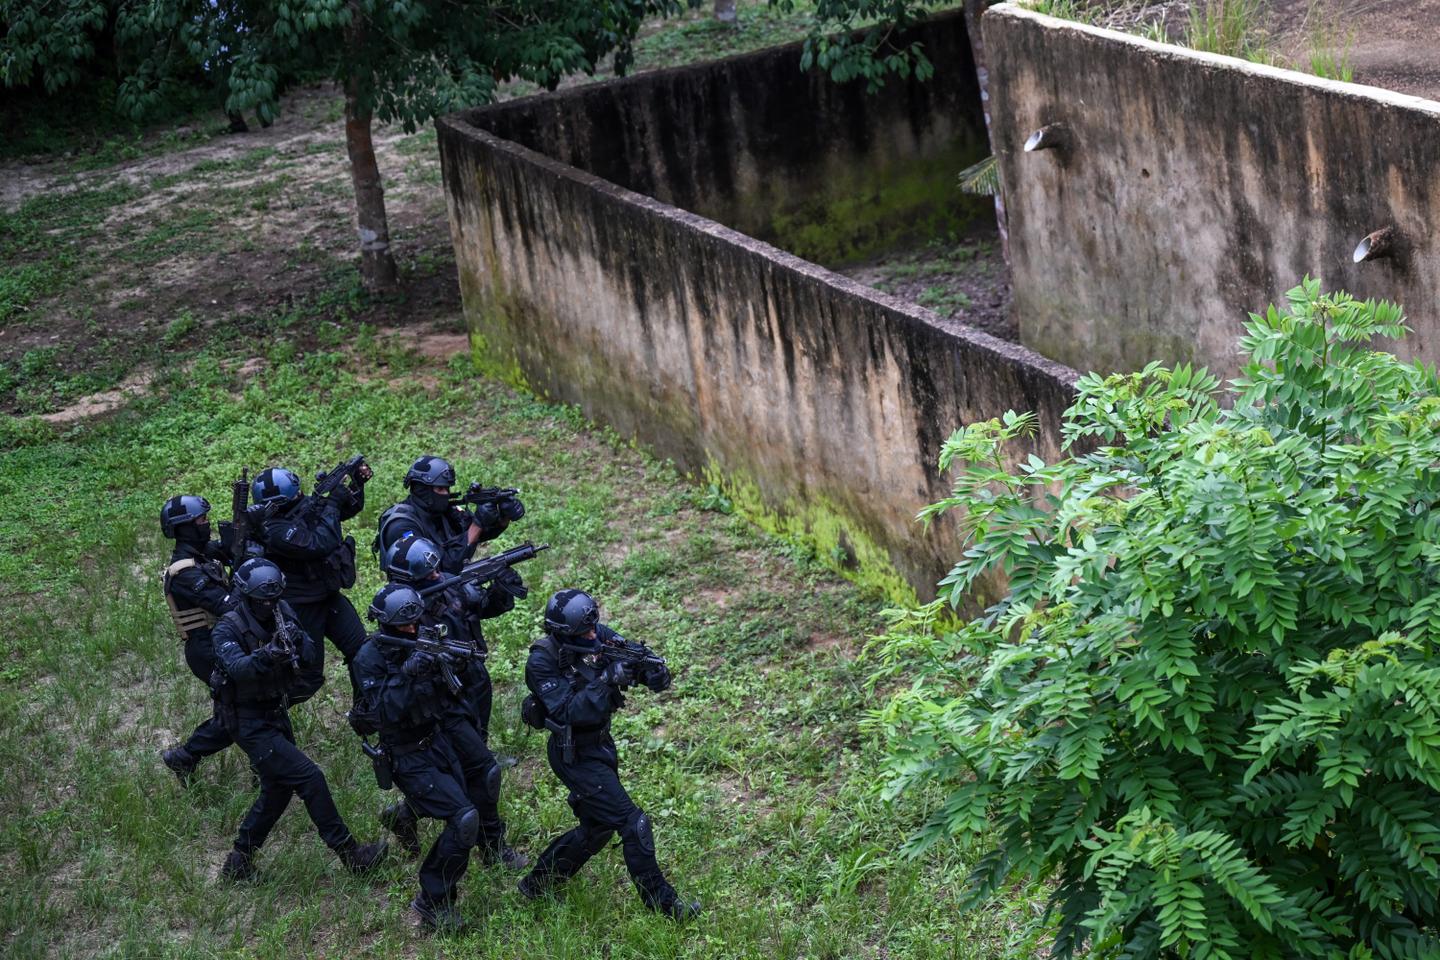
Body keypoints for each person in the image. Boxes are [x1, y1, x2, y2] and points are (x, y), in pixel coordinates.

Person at [518, 589, 699, 919]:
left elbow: (627, 654)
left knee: (598, 828)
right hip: (572, 752)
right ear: (563, 632)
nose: (592, 635)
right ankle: (665, 906)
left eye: (593, 628)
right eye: (583, 632)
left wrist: (650, 672)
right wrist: (605, 680)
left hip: (600, 744)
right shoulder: (541, 661)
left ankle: (538, 883)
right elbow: (568, 712)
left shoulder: (595, 635)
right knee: (633, 823)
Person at [211, 558, 387, 880]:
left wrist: (297, 641)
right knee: (310, 778)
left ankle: (238, 862)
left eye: (274, 598)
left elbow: (308, 655)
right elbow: (238, 669)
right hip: (247, 721)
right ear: (247, 597)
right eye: (263, 601)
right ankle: (351, 855)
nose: (270, 606)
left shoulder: (282, 611)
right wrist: (269, 654)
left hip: (274, 712)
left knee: (277, 790)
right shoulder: (227, 628)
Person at [374, 535, 528, 868]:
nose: (436, 577)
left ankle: (490, 847)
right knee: (473, 773)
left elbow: (483, 607)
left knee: (482, 770)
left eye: (435, 571)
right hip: (437, 704)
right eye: (426, 576)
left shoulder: (447, 585)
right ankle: (485, 845)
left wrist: (502, 588)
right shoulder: (401, 615)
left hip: (468, 682)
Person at [351, 583, 486, 932]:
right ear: (386, 624)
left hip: (436, 740)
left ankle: (403, 815)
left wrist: (449, 663)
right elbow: (382, 713)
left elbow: (454, 691)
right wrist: (407, 674)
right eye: (403, 626)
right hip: (405, 753)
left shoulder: (422, 637)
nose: (412, 630)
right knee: (463, 818)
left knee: (467, 801)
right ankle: (432, 900)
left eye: (415, 622)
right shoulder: (370, 657)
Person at [248, 465, 369, 690]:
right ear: (279, 503)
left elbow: (344, 510)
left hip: (328, 597)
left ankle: (367, 712)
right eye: (295, 495)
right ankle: (266, 715)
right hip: (302, 607)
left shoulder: (301, 508)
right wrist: (332, 504)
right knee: (308, 677)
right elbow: (320, 543)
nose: (301, 497)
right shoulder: (274, 531)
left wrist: (355, 486)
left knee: (362, 652)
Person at [157, 494, 236, 783]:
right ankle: (185, 756)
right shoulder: (185, 572)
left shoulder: (201, 554)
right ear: (184, 528)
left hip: (219, 642)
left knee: (243, 709)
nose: (207, 524)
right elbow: (228, 604)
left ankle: (186, 756)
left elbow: (228, 549)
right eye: (200, 520)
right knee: (237, 715)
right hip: (206, 650)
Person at [376, 456, 524, 575]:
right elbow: (441, 569)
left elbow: (478, 534)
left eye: (447, 489)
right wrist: (477, 525)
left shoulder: (442, 510)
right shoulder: (402, 525)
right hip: (420, 596)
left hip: (446, 588)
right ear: (422, 490)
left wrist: (503, 517)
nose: (446, 495)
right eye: (440, 489)